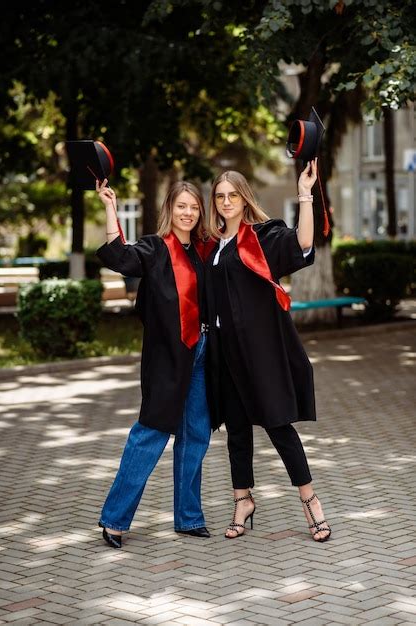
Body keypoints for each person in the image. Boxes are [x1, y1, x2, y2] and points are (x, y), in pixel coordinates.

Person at [205, 160, 331, 542]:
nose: (226, 202)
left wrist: (305, 194)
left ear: (245, 199)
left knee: (278, 425)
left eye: (233, 196)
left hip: (258, 352)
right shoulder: (211, 246)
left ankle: (311, 502)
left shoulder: (260, 238)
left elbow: (304, 243)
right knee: (237, 432)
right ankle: (242, 500)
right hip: (225, 353)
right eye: (220, 197)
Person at [95, 179, 212, 548]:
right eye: (181, 206)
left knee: (196, 433)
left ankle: (189, 518)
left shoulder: (206, 250)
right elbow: (119, 256)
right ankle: (114, 519)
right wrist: (110, 207)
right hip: (167, 355)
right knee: (151, 432)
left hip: (204, 350)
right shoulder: (156, 248)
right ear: (170, 209)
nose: (188, 213)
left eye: (194, 207)